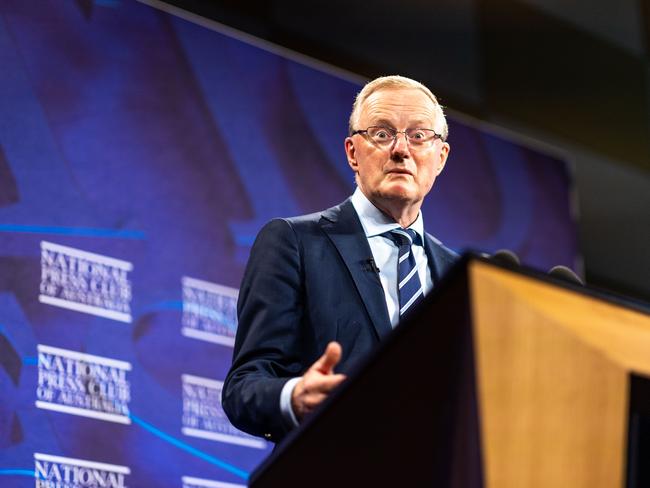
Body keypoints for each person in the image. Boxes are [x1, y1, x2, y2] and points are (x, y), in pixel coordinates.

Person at [222, 75, 458, 443]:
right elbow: (244, 386)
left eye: (419, 135)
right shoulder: (294, 242)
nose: (401, 149)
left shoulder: (457, 277)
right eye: (381, 134)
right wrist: (295, 396)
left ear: (440, 157)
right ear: (352, 152)